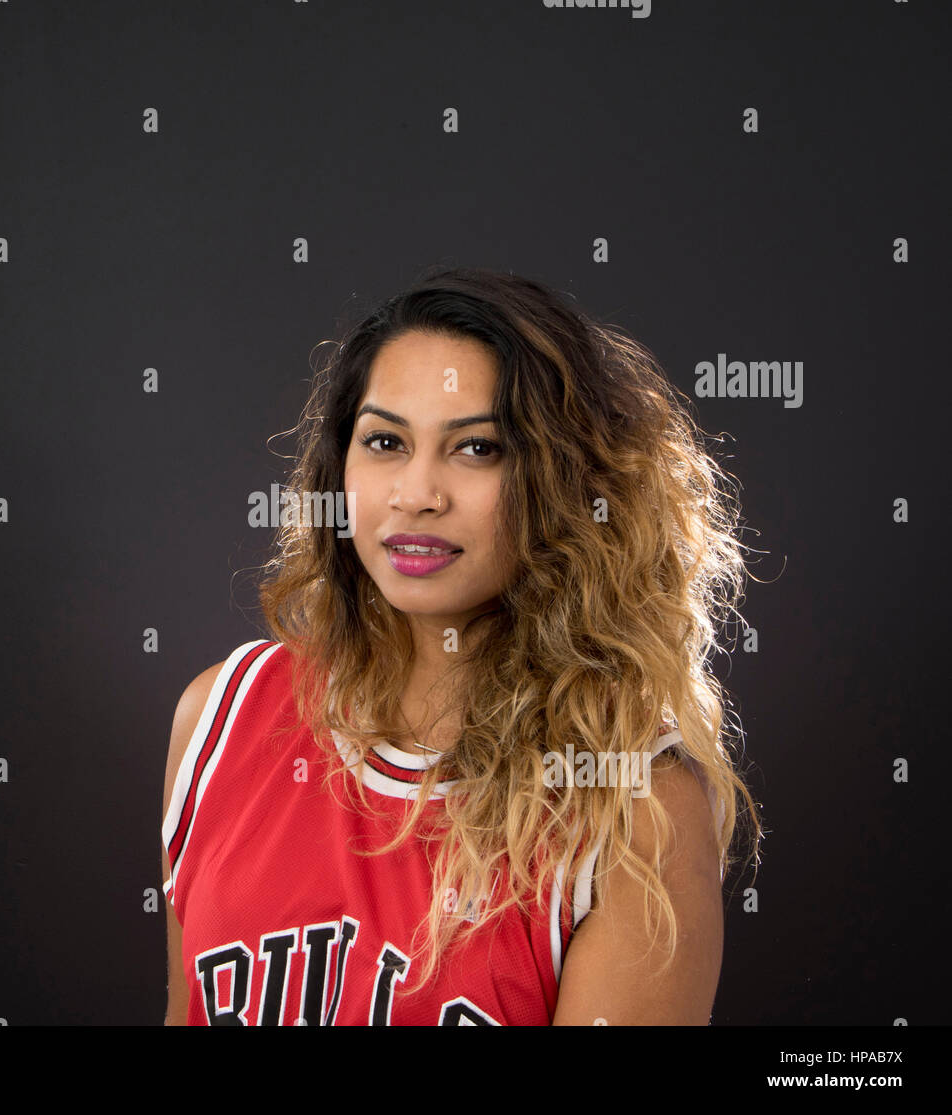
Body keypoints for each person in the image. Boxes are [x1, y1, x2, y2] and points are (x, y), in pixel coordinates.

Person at [160, 266, 762, 1025]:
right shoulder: (219, 718)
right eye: (385, 441)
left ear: (565, 482)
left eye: (477, 449)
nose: (417, 493)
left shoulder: (632, 801)